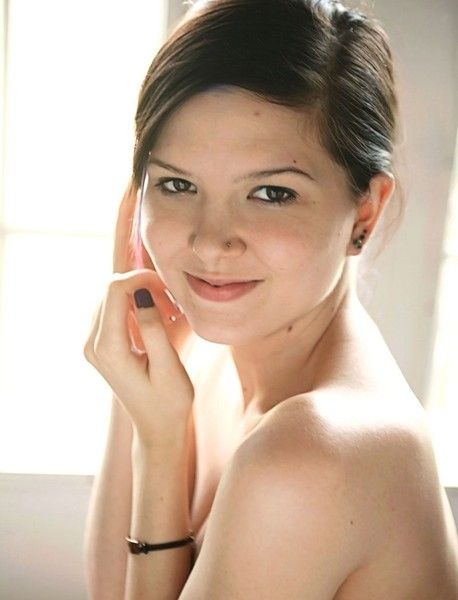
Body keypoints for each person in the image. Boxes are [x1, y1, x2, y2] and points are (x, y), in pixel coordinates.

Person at [83, 0, 458, 598]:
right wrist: (139, 397)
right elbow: (111, 590)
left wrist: (160, 448)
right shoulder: (204, 370)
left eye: (271, 193)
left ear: (366, 210)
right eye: (178, 184)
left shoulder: (311, 454)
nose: (210, 241)